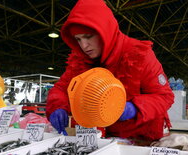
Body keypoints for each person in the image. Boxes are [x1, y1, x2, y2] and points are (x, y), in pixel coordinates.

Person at [46, 0, 174, 145]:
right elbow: (61, 89)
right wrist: (57, 106)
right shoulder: (79, 60)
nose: (84, 45)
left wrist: (135, 107)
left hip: (142, 138)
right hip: (104, 138)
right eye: (78, 39)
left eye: (88, 37)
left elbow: (164, 96)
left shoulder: (140, 55)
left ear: (105, 31)